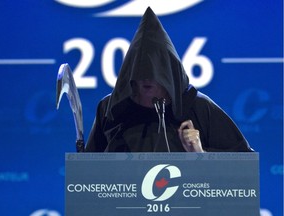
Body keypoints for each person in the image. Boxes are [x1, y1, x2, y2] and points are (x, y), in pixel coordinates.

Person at [85, 7, 253, 153]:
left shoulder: (199, 107)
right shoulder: (111, 108)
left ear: (168, 73)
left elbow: (244, 164)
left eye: (155, 71)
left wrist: (200, 154)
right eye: (140, 70)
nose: (146, 77)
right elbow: (87, 172)